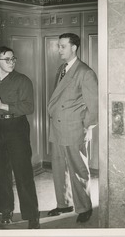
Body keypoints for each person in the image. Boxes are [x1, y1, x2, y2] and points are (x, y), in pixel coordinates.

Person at [47, 33, 98, 223]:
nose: (59, 49)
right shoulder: (62, 69)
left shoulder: (85, 72)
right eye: (59, 46)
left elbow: (94, 109)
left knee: (78, 170)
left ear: (74, 48)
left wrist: (83, 128)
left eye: (62, 46)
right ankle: (64, 203)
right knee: (59, 169)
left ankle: (85, 207)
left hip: (74, 129)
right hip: (58, 128)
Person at [0, 46, 40, 229]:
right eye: (7, 59)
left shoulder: (22, 80)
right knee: (1, 173)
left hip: (16, 128)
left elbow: (29, 107)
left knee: (23, 173)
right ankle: (6, 210)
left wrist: (4, 106)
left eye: (13, 59)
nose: (11, 62)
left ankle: (32, 216)